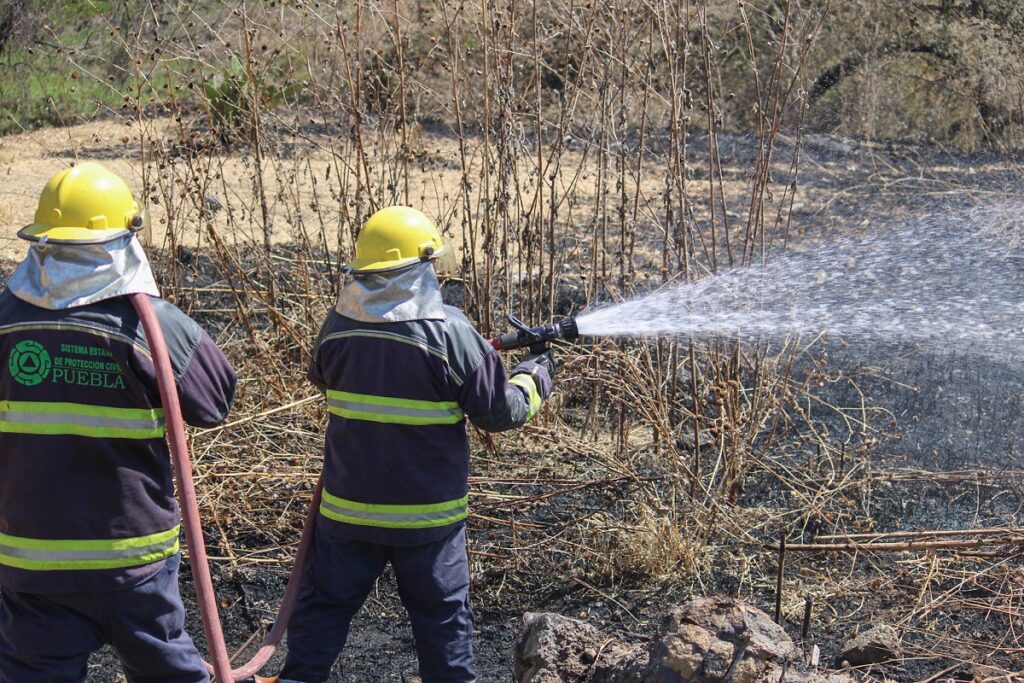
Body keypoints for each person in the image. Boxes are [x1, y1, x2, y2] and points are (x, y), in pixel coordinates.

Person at [272, 206, 554, 683]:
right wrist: (536, 374)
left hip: (347, 515)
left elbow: (323, 375)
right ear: (421, 266)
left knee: (321, 614)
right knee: (442, 623)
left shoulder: (337, 327)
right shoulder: (451, 332)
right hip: (428, 522)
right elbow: (500, 412)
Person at [0, 162, 237, 683]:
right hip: (132, 561)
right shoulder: (150, 326)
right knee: (166, 670)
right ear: (125, 237)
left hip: (33, 561)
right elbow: (216, 400)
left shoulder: (5, 319)